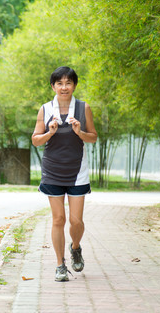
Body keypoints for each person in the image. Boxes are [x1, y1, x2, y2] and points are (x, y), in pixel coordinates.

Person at [31, 66, 98, 282]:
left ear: (74, 85)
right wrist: (49, 132)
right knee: (58, 218)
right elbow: (35, 140)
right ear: (53, 86)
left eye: (68, 83)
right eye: (59, 83)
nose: (64, 87)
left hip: (77, 171)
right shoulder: (45, 109)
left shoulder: (83, 108)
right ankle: (60, 265)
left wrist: (80, 131)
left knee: (76, 221)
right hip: (52, 170)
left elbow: (93, 137)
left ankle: (75, 247)